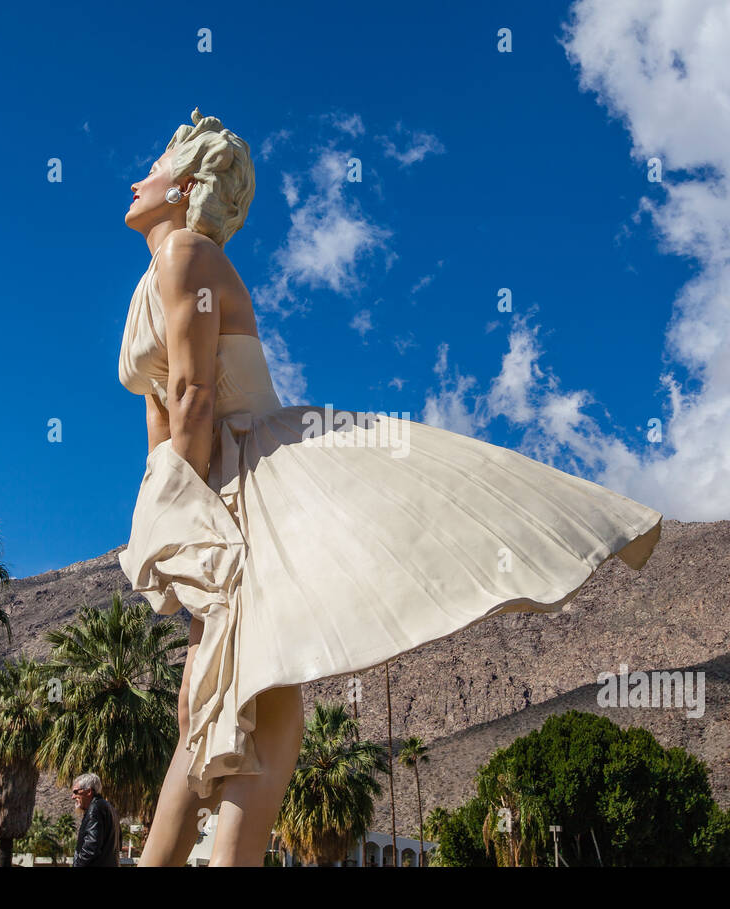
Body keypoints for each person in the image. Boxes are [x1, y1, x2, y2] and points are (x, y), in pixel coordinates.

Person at [118, 108, 664, 866]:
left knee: (245, 684)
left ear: (183, 187)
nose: (137, 178)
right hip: (208, 486)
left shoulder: (186, 254)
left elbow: (194, 397)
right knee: (206, 699)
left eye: (153, 165)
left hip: (254, 476)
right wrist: (173, 539)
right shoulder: (152, 281)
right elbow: (163, 421)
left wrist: (189, 518)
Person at [71, 773, 119, 867]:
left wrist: (77, 865)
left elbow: (91, 846)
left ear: (89, 791)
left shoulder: (95, 808)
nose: (73, 797)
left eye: (76, 792)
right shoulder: (110, 809)